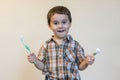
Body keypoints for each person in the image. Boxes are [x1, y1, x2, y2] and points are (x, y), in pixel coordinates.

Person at [27, 6, 95, 80]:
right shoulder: (46, 46)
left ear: (70, 23)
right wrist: (35, 61)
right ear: (50, 25)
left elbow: (80, 67)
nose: (60, 26)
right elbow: (42, 66)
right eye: (56, 23)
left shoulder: (75, 45)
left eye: (64, 22)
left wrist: (86, 61)